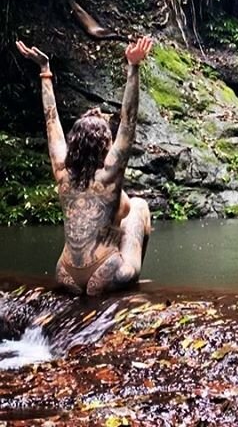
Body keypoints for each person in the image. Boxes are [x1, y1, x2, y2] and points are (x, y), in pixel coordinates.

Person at [15, 36, 153, 295]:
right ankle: (131, 284)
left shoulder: (62, 171)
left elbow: (51, 123)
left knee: (117, 218)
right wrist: (133, 67)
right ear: (104, 146)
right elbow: (129, 120)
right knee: (138, 207)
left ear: (75, 144)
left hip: (65, 274)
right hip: (105, 272)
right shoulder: (109, 174)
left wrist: (45, 72)